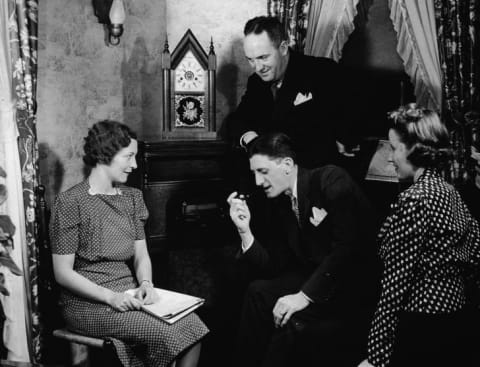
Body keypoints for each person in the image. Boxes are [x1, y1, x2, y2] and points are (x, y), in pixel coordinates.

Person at [50, 120, 208, 367]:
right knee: (166, 334)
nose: (134, 165)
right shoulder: (71, 202)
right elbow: (62, 273)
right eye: (129, 156)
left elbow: (141, 256)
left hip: (129, 293)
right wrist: (110, 297)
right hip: (87, 304)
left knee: (194, 327)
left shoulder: (131, 199)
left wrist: (146, 283)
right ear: (105, 155)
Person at [227, 132, 378, 367]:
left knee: (292, 317)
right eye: (254, 174)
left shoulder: (330, 179)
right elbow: (275, 264)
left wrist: (303, 296)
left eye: (263, 172)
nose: (257, 182)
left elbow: (346, 249)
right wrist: (244, 230)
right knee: (257, 292)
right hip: (317, 278)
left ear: (287, 165)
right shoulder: (280, 202)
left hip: (351, 285)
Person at [358, 104, 480, 367]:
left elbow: (395, 284)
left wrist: (376, 356)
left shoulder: (415, 199)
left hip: (420, 323)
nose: (390, 158)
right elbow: (475, 254)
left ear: (414, 148)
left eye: (394, 148)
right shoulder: (449, 191)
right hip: (454, 320)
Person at [228, 16, 356, 171]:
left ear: (283, 48)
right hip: (271, 177)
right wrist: (250, 138)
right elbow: (237, 120)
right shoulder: (256, 82)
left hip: (312, 176)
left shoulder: (323, 71)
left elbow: (349, 122)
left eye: (263, 57)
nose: (257, 67)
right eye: (251, 59)